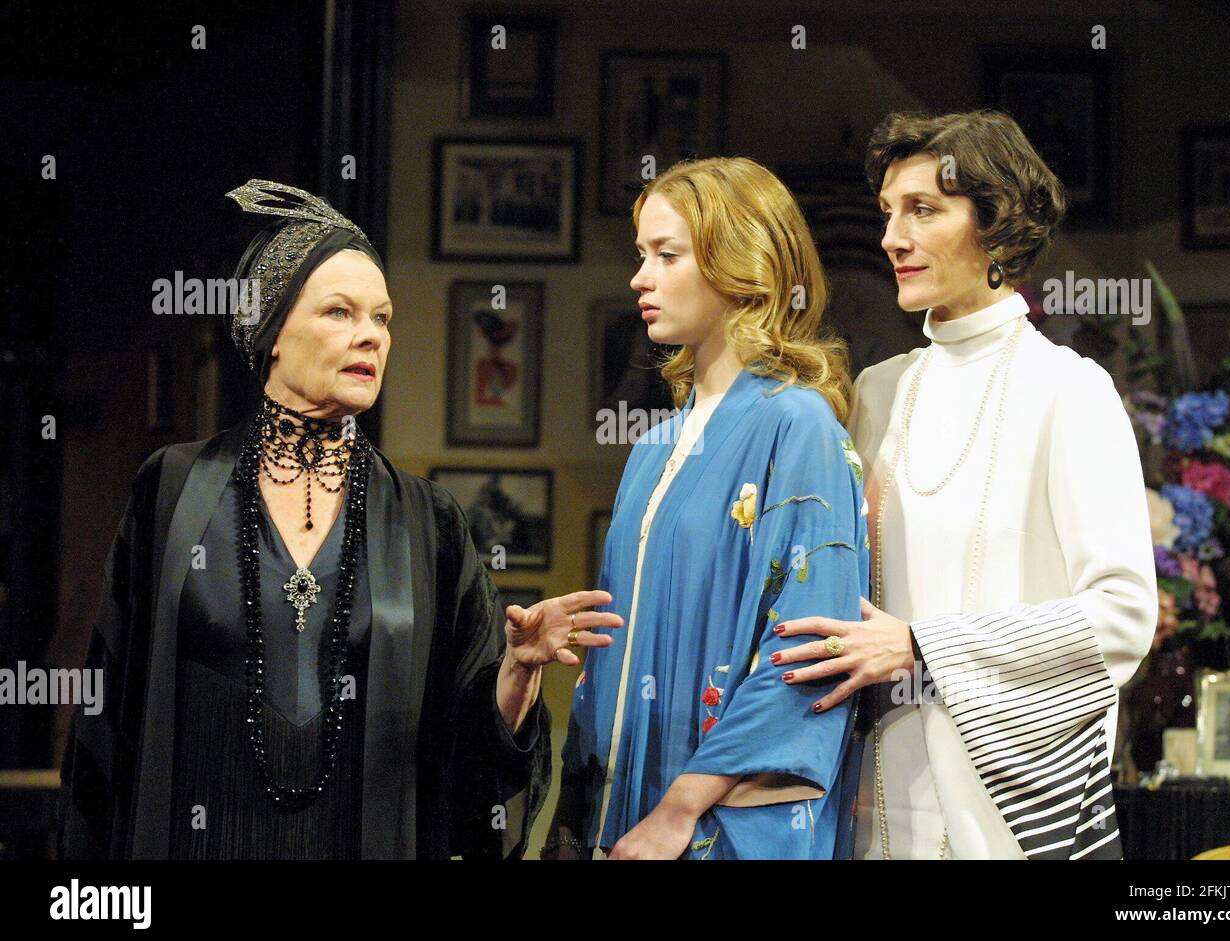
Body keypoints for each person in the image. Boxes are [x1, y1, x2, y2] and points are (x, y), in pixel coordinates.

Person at [55, 179, 621, 859]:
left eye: (382, 318)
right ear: (270, 332)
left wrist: (519, 672)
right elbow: (108, 724)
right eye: (339, 312)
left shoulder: (428, 522)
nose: (370, 336)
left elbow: (469, 767)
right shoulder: (174, 490)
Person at [774, 111, 1157, 859]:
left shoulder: (1068, 390)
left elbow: (1122, 615)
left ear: (998, 224)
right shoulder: (876, 391)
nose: (892, 237)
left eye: (923, 209)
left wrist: (922, 647)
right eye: (888, 212)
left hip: (1009, 814)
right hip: (871, 798)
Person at [543, 157, 870, 860]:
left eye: (667, 255)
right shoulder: (651, 447)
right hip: (621, 822)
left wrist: (679, 809)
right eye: (642, 255)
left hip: (713, 829)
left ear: (741, 265)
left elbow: (809, 649)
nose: (641, 278)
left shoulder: (800, 427)